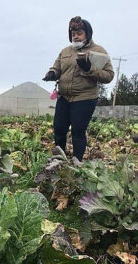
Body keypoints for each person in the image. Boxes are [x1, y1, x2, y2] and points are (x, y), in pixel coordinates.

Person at [43, 16, 114, 163]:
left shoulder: (98, 51)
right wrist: (52, 73)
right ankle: (59, 158)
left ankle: (77, 160)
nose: (75, 36)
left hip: (85, 98)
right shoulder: (65, 51)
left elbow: (109, 76)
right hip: (64, 97)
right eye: (73, 34)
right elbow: (57, 67)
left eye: (79, 33)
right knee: (59, 128)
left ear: (87, 34)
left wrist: (90, 69)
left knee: (78, 130)